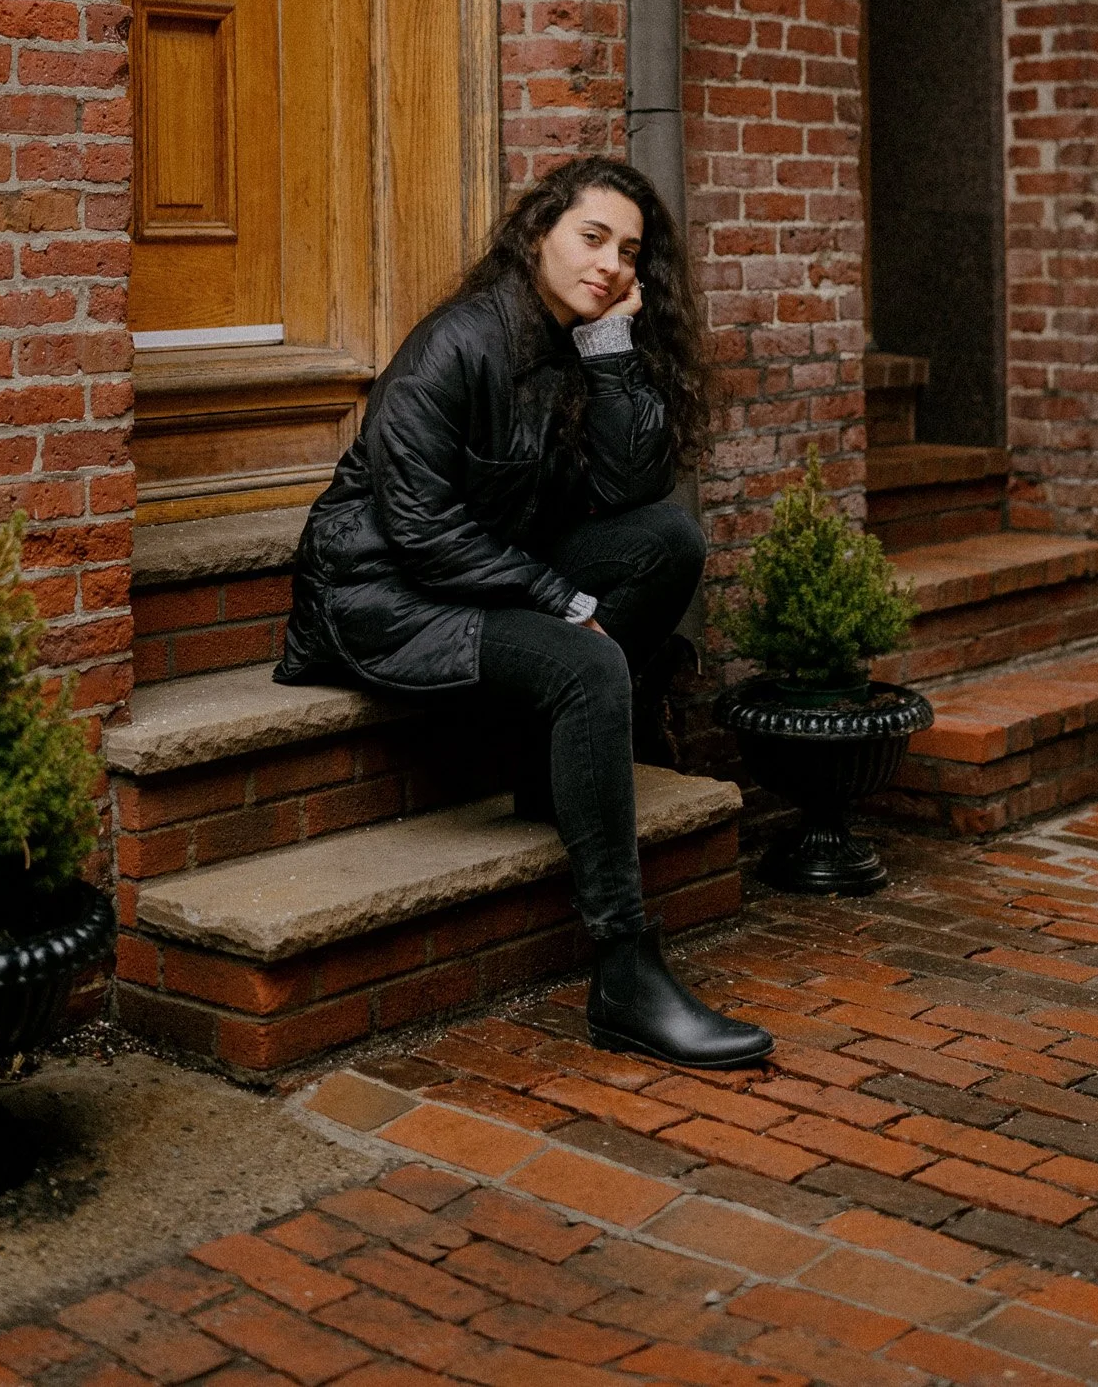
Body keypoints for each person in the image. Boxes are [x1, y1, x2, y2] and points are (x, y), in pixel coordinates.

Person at [277, 154, 771, 1070]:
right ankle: (623, 970)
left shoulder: (579, 341)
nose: (611, 265)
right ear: (536, 234)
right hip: (383, 594)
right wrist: (558, 598)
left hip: (479, 575)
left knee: (669, 540)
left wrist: (615, 356)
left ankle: (560, 768)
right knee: (586, 660)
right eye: (591, 238)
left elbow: (632, 486)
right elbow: (417, 527)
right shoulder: (458, 342)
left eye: (629, 252)